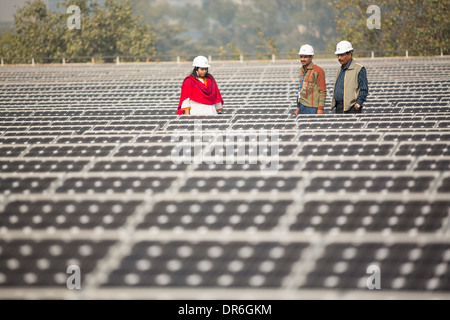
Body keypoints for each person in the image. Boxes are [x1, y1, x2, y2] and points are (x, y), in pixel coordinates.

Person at [331, 40, 369, 114]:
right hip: (339, 107)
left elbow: (364, 89)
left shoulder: (358, 69)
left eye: (341, 55)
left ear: (349, 54)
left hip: (352, 109)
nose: (339, 58)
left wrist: (357, 105)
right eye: (338, 55)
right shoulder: (340, 69)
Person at [296, 44, 326, 115]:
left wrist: (320, 109)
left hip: (312, 107)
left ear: (311, 57)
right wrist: (298, 107)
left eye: (305, 57)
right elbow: (300, 90)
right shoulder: (301, 70)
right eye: (301, 57)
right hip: (302, 106)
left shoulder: (318, 70)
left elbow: (322, 91)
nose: (302, 59)